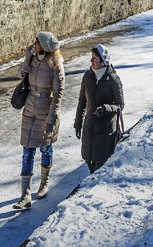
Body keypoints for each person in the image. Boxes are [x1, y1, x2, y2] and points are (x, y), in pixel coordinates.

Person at [13, 31, 63, 210]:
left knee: (46, 148)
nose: (34, 43)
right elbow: (20, 73)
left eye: (37, 42)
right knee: (27, 150)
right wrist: (22, 71)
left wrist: (53, 115)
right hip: (30, 106)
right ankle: (25, 195)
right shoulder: (31, 56)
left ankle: (44, 184)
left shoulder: (55, 64)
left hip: (45, 108)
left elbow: (58, 92)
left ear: (45, 46)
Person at [74, 43, 125, 173]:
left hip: (105, 131)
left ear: (103, 62)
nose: (91, 61)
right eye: (91, 58)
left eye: (94, 58)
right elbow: (82, 101)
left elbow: (120, 105)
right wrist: (78, 123)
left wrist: (106, 108)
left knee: (100, 166)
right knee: (89, 161)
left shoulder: (113, 80)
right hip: (89, 128)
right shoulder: (87, 77)